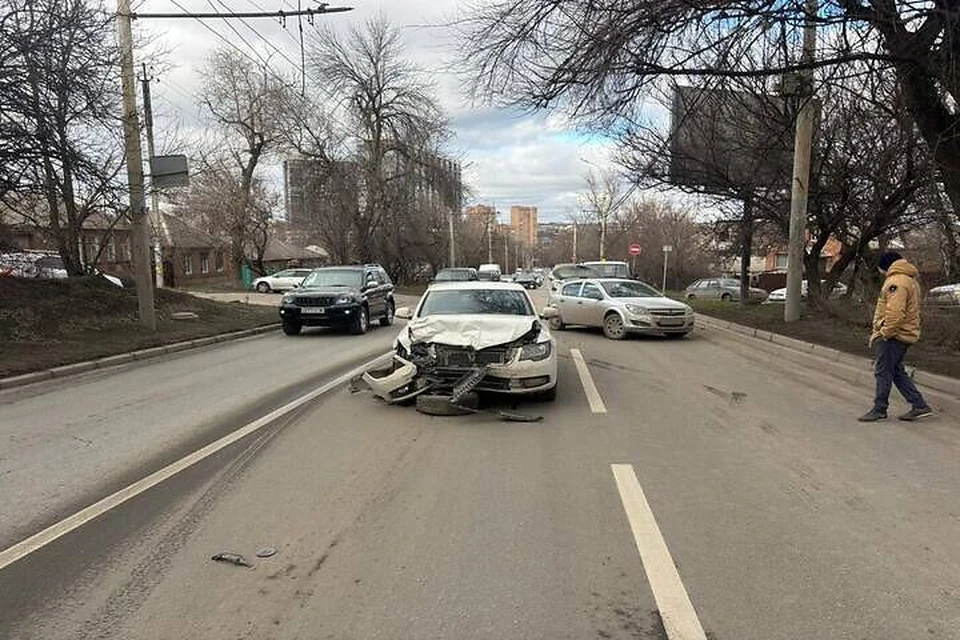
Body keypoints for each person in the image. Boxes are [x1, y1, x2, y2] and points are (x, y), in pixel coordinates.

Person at [859, 251, 934, 422]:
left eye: (881, 269)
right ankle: (919, 405)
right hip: (903, 333)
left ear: (887, 266)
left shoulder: (896, 282)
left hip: (894, 335)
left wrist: (885, 332)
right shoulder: (909, 280)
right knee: (896, 371)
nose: (881, 273)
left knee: (883, 371)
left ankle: (879, 408)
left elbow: (895, 312)